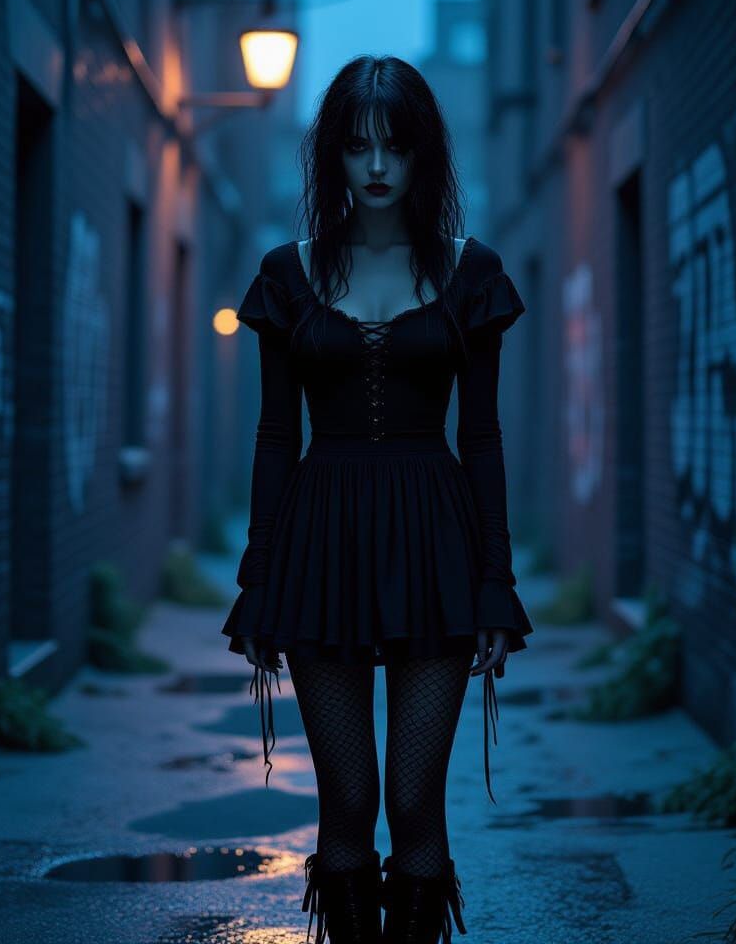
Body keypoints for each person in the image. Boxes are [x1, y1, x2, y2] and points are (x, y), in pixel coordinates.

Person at [221, 54, 534, 944]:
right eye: (358, 147)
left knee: (414, 801)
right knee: (349, 802)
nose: (378, 166)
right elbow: (275, 436)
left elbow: (482, 437)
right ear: (334, 157)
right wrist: (258, 578)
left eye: (395, 146)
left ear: (424, 153)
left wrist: (495, 583)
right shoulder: (289, 272)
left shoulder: (472, 272)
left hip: (436, 547)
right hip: (321, 547)